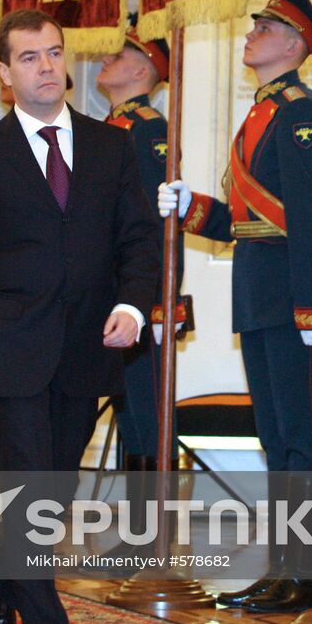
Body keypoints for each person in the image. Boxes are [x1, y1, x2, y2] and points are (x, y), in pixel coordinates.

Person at [0, 9, 159, 624]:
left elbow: (139, 239)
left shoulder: (110, 146)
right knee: (31, 483)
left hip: (87, 345)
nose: (46, 67)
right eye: (30, 57)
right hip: (11, 347)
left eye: (54, 53)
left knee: (52, 488)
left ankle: (1, 580)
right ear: (5, 73)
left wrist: (131, 304)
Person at [159, 0, 312, 614]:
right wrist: (193, 209)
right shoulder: (262, 113)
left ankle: (306, 575)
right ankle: (284, 566)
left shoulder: (300, 113)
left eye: (266, 26)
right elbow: (247, 220)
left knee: (302, 440)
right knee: (276, 437)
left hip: (291, 296)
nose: (252, 32)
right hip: (259, 289)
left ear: (293, 45)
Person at [97, 27, 182, 502]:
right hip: (111, 293)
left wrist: (151, 301)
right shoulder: (109, 128)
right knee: (129, 412)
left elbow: (152, 225)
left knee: (146, 416)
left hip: (138, 298)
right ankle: (136, 533)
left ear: (142, 70)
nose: (110, 58)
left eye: (123, 53)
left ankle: (155, 539)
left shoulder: (148, 128)